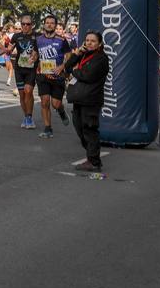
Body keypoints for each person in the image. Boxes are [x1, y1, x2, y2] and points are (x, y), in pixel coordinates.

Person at [62, 31, 108, 172]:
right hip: (80, 98)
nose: (89, 43)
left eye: (93, 41)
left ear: (99, 43)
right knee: (79, 127)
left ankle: (93, 161)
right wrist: (77, 54)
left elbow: (88, 76)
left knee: (89, 129)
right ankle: (91, 156)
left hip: (92, 99)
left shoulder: (101, 58)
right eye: (87, 40)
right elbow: (68, 66)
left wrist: (74, 71)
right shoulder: (84, 54)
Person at [33, 14, 74, 138]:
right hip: (43, 75)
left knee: (55, 104)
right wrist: (32, 58)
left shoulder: (62, 40)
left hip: (57, 76)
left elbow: (69, 56)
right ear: (44, 24)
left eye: (52, 23)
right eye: (47, 22)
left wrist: (62, 67)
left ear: (55, 26)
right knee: (44, 102)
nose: (49, 24)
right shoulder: (38, 39)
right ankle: (48, 129)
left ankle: (61, 110)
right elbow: (35, 54)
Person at [7, 14, 40, 130]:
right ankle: (26, 116)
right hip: (19, 69)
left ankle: (30, 117)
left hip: (32, 69)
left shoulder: (37, 36)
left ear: (32, 25)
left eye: (28, 24)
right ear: (21, 25)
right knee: (21, 94)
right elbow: (9, 49)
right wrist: (0, 48)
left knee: (28, 91)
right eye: (23, 24)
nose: (25, 26)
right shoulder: (16, 36)